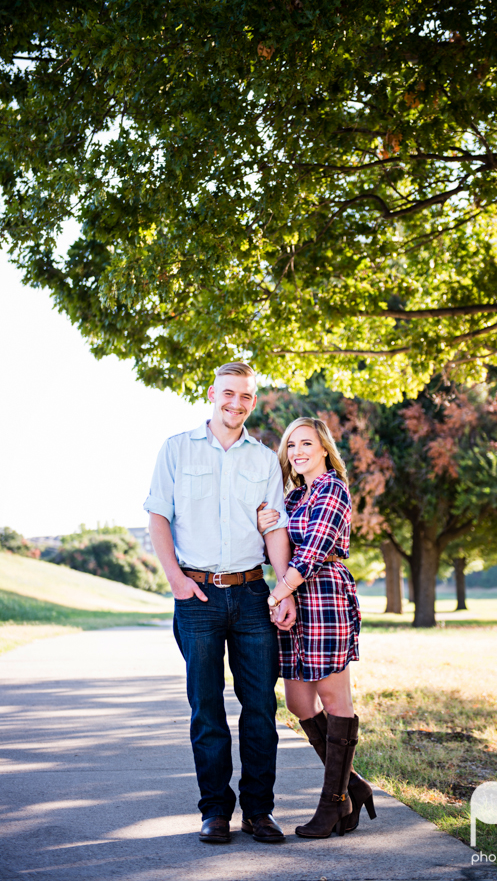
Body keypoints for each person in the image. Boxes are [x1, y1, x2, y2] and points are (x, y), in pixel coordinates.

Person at [144, 362, 296, 845]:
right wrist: (176, 580)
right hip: (198, 595)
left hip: (253, 594)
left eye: (246, 397)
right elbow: (158, 516)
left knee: (259, 708)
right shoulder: (175, 448)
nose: (236, 403)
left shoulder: (266, 460)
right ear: (212, 393)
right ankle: (215, 811)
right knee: (206, 708)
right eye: (228, 393)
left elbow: (274, 528)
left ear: (254, 400)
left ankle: (259, 810)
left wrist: (281, 590)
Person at [257, 417, 376, 839]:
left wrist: (277, 594)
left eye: (306, 443)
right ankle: (354, 787)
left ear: (324, 447)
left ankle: (333, 805)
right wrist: (266, 523)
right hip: (295, 601)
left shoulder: (333, 489)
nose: (297, 451)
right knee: (298, 702)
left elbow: (310, 553)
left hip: (324, 594)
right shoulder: (292, 497)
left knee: (333, 697)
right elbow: (277, 545)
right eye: (291, 445)